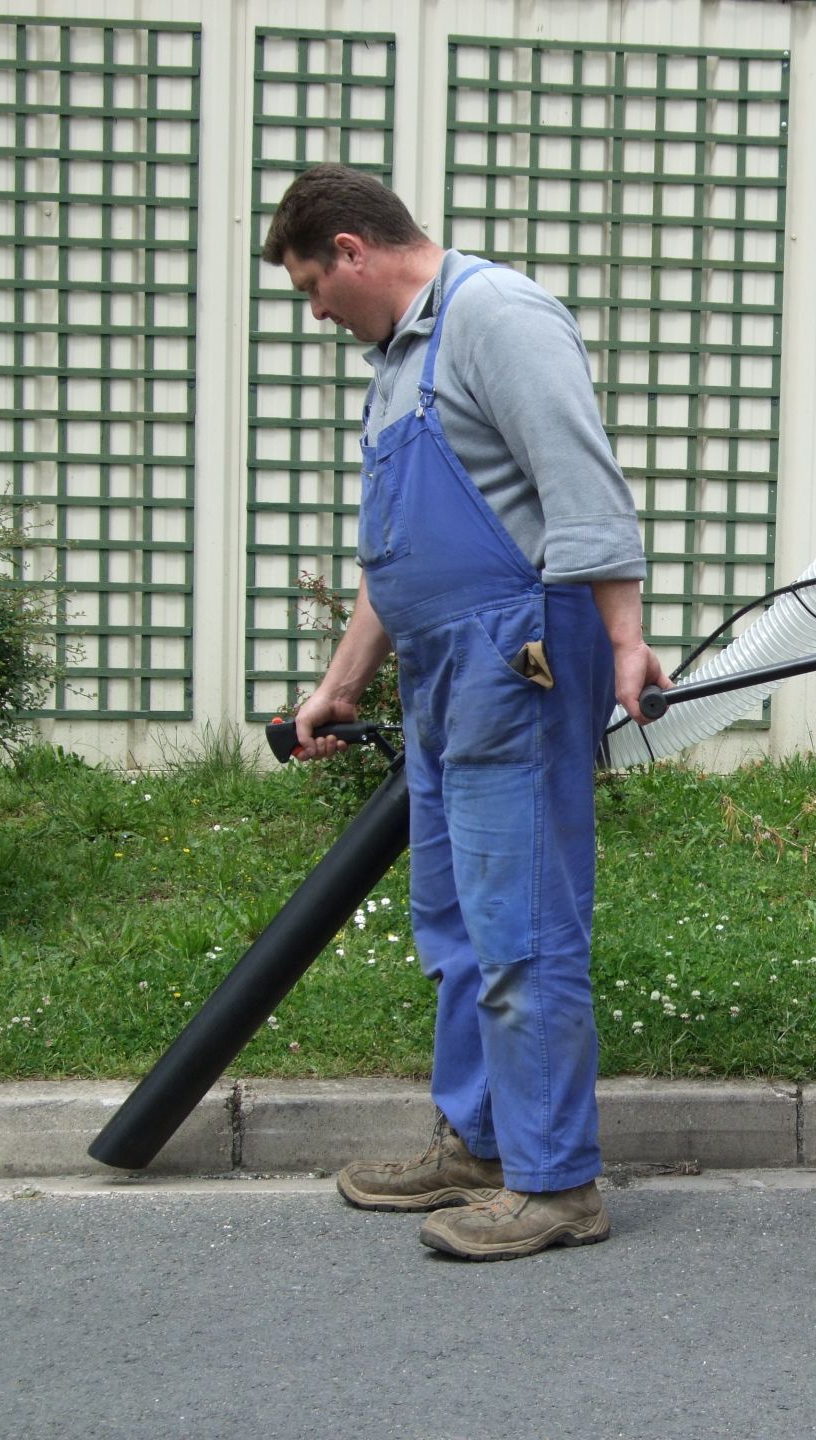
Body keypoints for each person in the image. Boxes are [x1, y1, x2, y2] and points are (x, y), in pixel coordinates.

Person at [262, 163, 668, 1260]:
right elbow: (395, 553)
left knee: (522, 926)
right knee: (453, 921)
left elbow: (583, 490)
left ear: (351, 248)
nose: (314, 311)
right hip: (443, 668)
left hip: (520, 651)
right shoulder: (398, 360)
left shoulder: (497, 314)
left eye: (310, 285)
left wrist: (626, 640)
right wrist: (344, 681)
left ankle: (556, 1182)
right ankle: (478, 1143)